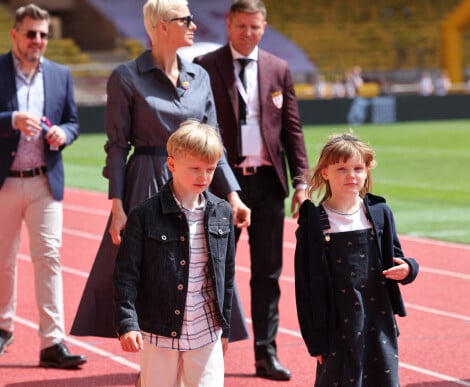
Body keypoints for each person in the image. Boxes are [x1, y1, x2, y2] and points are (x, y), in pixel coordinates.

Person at [71, 0, 251, 345]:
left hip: (197, 186)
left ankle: (198, 355)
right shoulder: (125, 77)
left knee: (202, 266)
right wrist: (117, 206)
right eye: (186, 19)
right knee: (150, 272)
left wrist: (232, 194)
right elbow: (118, 146)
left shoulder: (200, 77)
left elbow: (216, 143)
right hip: (146, 181)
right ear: (161, 26)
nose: (194, 25)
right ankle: (152, 366)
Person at [0, 3, 86, 369]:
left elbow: (73, 122)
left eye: (44, 34)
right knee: (3, 260)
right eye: (31, 33)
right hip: (3, 182)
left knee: (49, 258)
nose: (38, 40)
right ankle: (2, 328)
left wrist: (64, 134)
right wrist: (10, 120)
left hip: (44, 182)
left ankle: (53, 341)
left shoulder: (61, 74)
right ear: (15, 34)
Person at [194, 0, 309, 380]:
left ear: (264, 27)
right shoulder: (206, 67)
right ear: (228, 25)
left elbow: (292, 129)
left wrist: (301, 182)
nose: (247, 34)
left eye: (254, 27)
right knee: (218, 272)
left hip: (267, 184)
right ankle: (213, 353)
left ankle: (266, 353)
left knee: (267, 274)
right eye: (241, 26)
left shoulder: (278, 68)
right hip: (223, 185)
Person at [114, 120, 235, 387]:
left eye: (210, 169)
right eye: (194, 169)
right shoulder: (144, 215)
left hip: (206, 330)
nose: (203, 177)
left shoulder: (222, 212)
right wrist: (127, 322)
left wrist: (225, 328)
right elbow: (126, 275)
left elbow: (226, 276)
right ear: (172, 164)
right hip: (159, 331)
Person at [294, 131, 420, 386]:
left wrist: (409, 269)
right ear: (325, 172)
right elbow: (306, 286)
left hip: (379, 317)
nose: (351, 175)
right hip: (337, 323)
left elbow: (396, 257)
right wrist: (315, 339)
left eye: (357, 168)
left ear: (366, 172)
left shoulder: (380, 213)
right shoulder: (314, 223)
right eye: (341, 169)